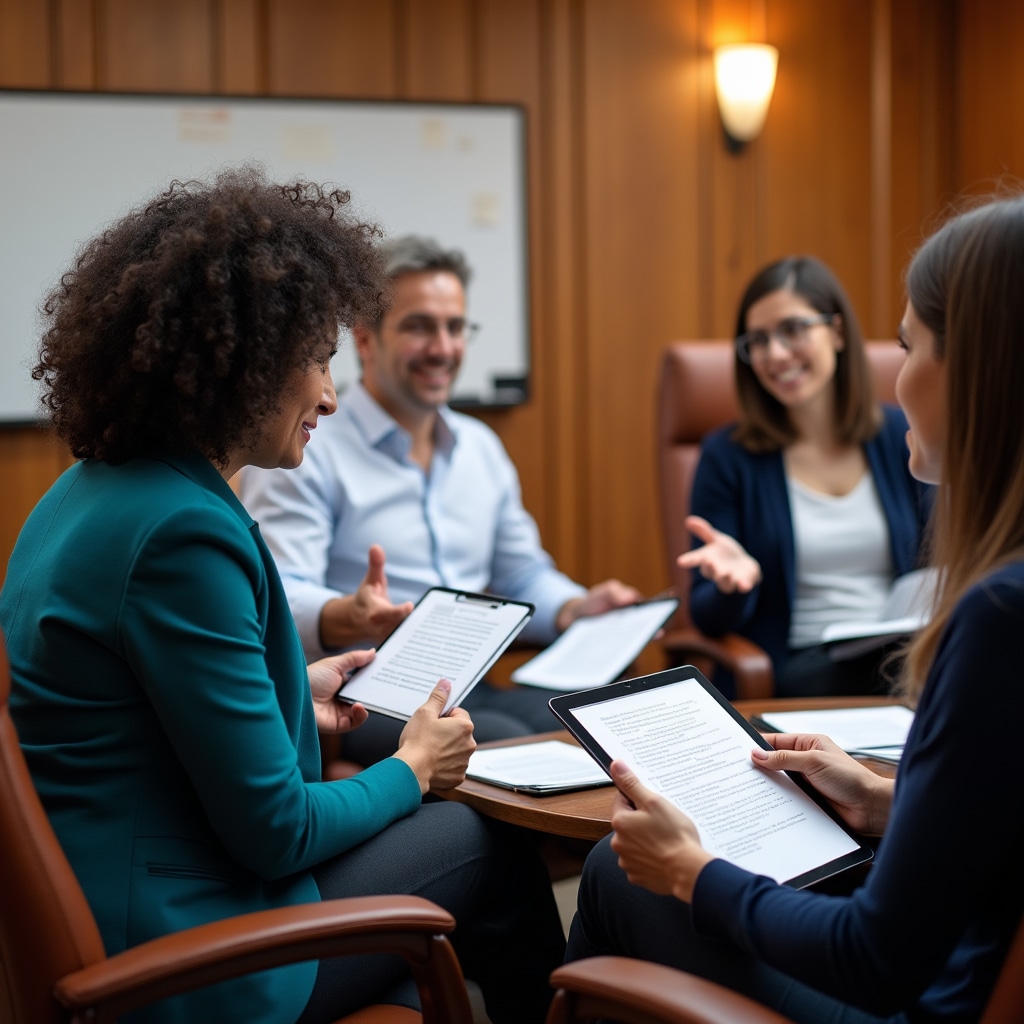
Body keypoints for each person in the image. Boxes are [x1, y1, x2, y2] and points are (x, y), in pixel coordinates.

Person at [0, 168, 567, 1024]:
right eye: (317, 358)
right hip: (188, 957)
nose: (332, 395)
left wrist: (296, 694)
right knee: (486, 832)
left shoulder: (88, 492)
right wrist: (414, 768)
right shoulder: (182, 536)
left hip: (139, 890)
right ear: (242, 364)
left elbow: (138, 721)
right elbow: (278, 832)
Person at [564, 195, 1024, 1022]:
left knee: (612, 870)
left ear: (977, 371)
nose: (899, 369)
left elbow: (874, 960)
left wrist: (692, 873)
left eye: (909, 345)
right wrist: (888, 800)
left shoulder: (998, 618)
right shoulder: (733, 454)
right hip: (809, 679)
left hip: (924, 995)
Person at [240, 234, 640, 764]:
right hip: (366, 694)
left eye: (455, 327)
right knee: (504, 741)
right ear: (365, 340)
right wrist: (346, 614)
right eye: (419, 326)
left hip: (469, 683)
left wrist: (573, 607)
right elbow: (279, 595)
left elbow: (521, 576)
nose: (444, 347)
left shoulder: (481, 448)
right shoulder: (305, 445)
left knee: (595, 718)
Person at [679, 255, 933, 697]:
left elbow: (938, 563)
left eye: (792, 330)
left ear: (836, 332)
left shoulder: (900, 436)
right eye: (757, 340)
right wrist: (733, 585)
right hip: (796, 668)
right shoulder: (727, 455)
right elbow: (707, 617)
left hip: (898, 654)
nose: (775, 354)